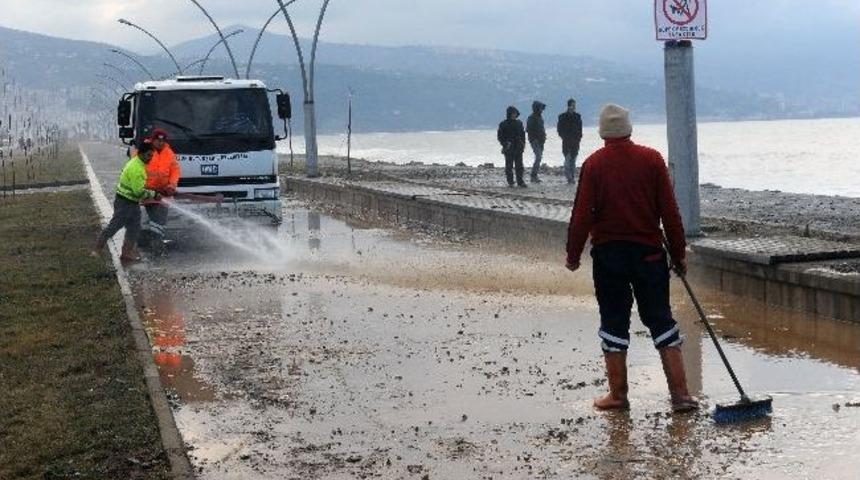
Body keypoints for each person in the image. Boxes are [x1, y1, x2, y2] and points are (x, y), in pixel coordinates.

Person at [565, 104, 698, 413]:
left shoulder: (594, 165)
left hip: (609, 258)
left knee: (614, 322)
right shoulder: (652, 160)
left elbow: (581, 216)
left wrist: (573, 255)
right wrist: (679, 255)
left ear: (602, 133)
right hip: (649, 255)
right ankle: (681, 396)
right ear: (629, 129)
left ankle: (618, 396)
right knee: (661, 320)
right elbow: (671, 214)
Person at [91, 142, 158, 262]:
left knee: (134, 228)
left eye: (152, 155)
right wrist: (154, 194)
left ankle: (126, 254)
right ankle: (96, 250)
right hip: (125, 203)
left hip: (132, 202)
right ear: (141, 154)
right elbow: (138, 192)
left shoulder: (137, 163)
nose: (150, 158)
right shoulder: (136, 169)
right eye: (148, 155)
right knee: (114, 227)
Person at [141, 128, 180, 251]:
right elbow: (136, 169)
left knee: (160, 217)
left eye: (162, 141)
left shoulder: (168, 152)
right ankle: (157, 243)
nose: (160, 143)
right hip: (149, 191)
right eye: (157, 140)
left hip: (164, 191)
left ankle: (156, 241)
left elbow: (175, 170)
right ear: (153, 140)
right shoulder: (143, 151)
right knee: (156, 216)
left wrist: (172, 185)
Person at [497, 106, 527, 187]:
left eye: (515, 113)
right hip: (508, 147)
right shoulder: (503, 124)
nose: (514, 115)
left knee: (519, 166)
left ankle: (520, 182)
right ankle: (510, 182)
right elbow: (500, 136)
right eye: (513, 113)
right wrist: (505, 144)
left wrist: (523, 143)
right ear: (509, 114)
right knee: (509, 166)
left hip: (518, 147)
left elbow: (523, 134)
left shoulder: (519, 123)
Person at [557, 99, 583, 184]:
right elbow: (559, 129)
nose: (574, 107)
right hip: (567, 141)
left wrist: (579, 138)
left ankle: (572, 177)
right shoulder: (562, 116)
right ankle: (569, 178)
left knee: (573, 160)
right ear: (569, 106)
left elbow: (580, 129)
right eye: (572, 105)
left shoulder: (578, 116)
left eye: (574, 105)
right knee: (567, 160)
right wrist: (564, 137)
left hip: (575, 142)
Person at [526, 101, 547, 183]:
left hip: (541, 140)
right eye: (540, 108)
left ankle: (535, 176)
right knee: (538, 157)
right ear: (536, 108)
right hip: (535, 140)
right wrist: (534, 138)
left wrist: (544, 136)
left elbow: (542, 128)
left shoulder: (540, 117)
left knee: (539, 157)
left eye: (542, 108)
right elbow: (528, 129)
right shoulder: (531, 118)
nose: (542, 109)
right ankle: (533, 175)